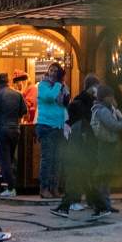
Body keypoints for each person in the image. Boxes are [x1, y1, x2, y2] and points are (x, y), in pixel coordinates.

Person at [50, 73, 99, 218]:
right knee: (80, 175)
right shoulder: (83, 102)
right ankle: (74, 204)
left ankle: (72, 204)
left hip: (82, 143)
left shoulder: (87, 101)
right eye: (95, 86)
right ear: (91, 87)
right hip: (82, 143)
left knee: (80, 175)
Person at [90, 84, 122, 218]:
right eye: (110, 96)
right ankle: (102, 205)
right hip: (106, 145)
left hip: (105, 144)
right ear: (105, 97)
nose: (113, 98)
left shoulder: (106, 109)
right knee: (104, 176)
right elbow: (114, 126)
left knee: (106, 176)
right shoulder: (103, 111)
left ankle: (106, 204)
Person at [0, 72, 27, 197]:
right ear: (8, 80)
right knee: (10, 159)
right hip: (15, 129)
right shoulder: (17, 94)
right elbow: (24, 111)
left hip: (1, 129)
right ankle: (8, 186)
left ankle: (10, 188)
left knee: (4, 160)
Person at [36, 62, 69, 198]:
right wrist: (58, 84)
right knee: (47, 159)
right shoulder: (43, 85)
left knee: (57, 160)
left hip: (59, 126)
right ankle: (44, 189)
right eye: (51, 70)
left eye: (56, 70)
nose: (53, 72)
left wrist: (62, 86)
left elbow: (65, 102)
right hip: (46, 126)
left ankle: (54, 188)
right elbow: (50, 97)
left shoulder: (62, 86)